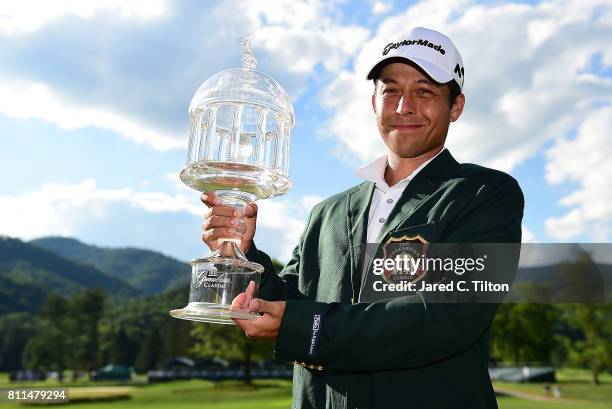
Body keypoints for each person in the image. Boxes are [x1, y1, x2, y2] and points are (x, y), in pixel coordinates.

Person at [201, 27, 524, 409]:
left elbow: (444, 317)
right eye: (391, 90)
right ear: (374, 103)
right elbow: (289, 301)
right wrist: (245, 254)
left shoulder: (485, 193)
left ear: (455, 107)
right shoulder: (327, 212)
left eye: (424, 91)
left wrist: (304, 327)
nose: (405, 106)